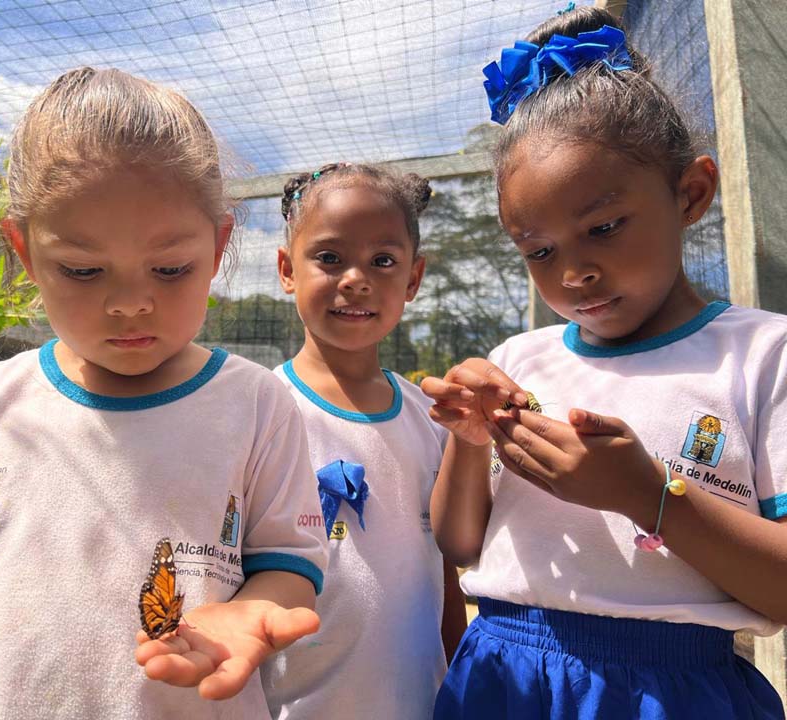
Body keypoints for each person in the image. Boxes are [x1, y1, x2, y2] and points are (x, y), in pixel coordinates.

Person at [0, 67, 329, 720]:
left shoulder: (254, 405)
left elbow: (292, 568)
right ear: (22, 249)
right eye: (82, 269)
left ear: (218, 247)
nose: (131, 303)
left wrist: (248, 609)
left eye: (170, 269)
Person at [424, 8, 787, 719]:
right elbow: (459, 541)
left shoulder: (759, 355)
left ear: (691, 194)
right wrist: (470, 446)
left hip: (675, 693)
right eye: (538, 250)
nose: (574, 273)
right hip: (503, 678)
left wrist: (646, 495)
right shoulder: (518, 361)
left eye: (603, 228)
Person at [261, 162, 467, 720]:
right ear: (286, 269)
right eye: (329, 258)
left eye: (383, 261)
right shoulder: (260, 413)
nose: (356, 278)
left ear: (414, 279)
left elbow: (442, 571)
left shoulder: (433, 418)